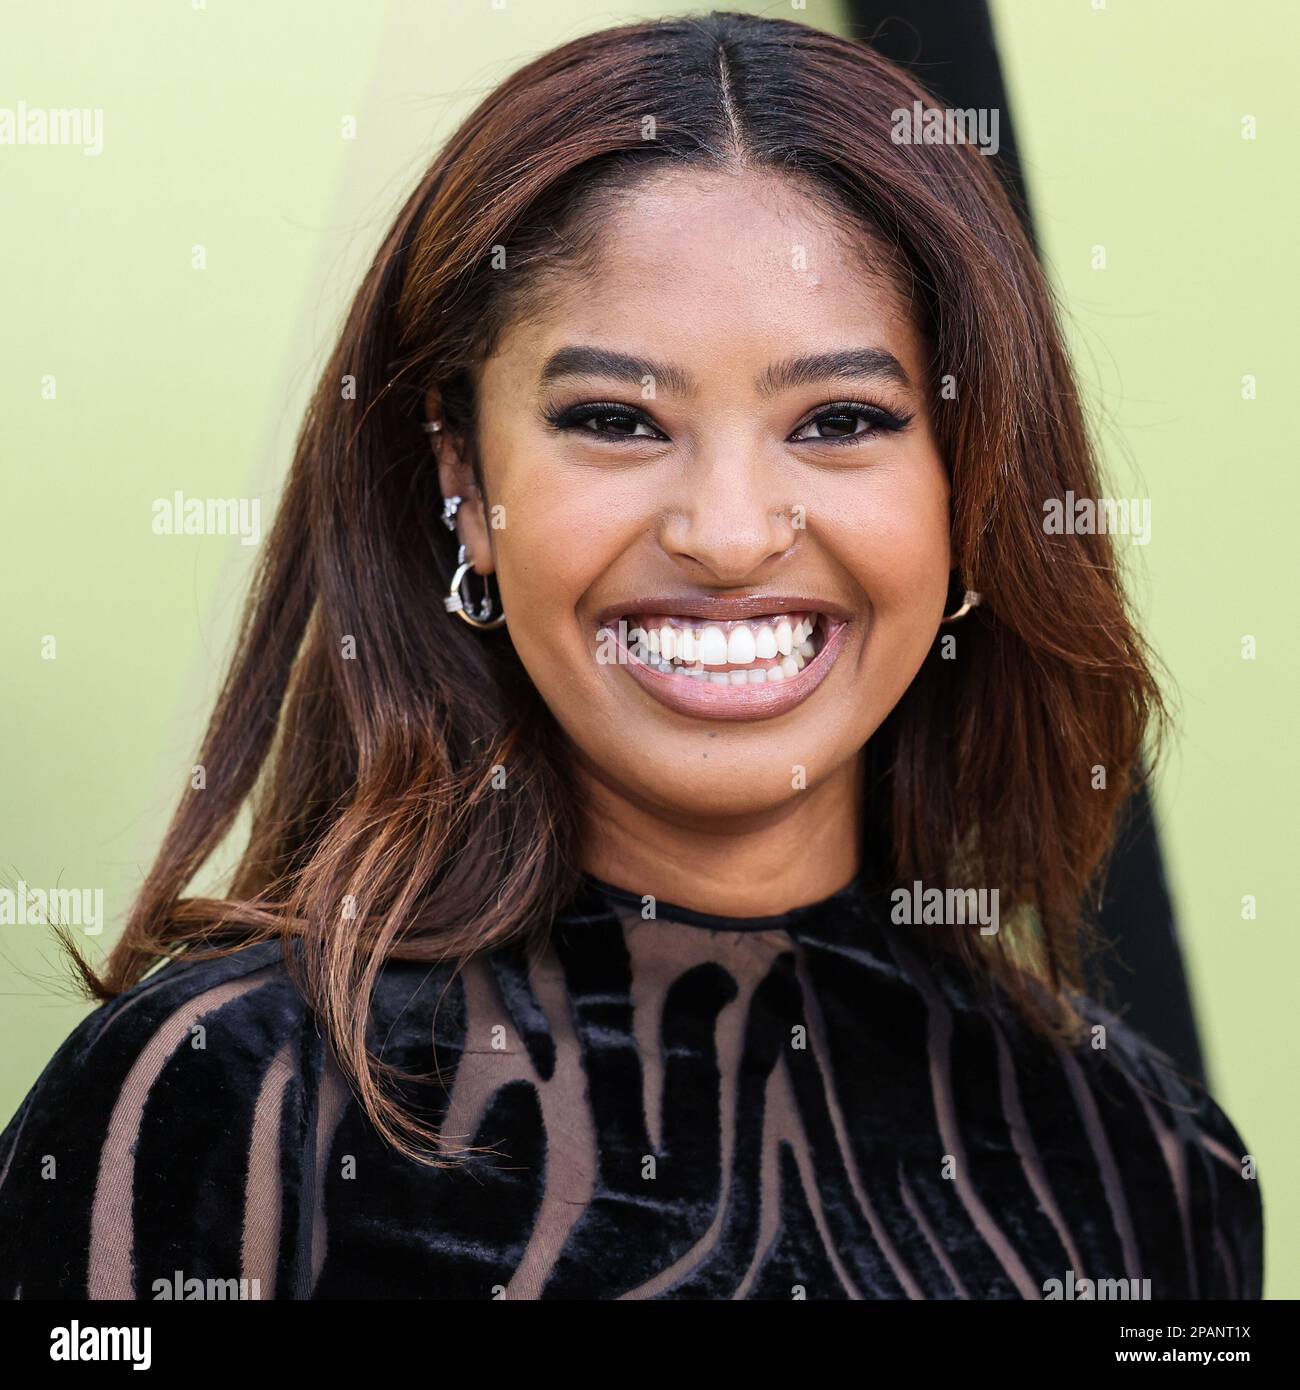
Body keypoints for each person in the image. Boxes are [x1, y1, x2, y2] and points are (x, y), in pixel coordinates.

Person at [0, 10, 1262, 1300]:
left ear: (975, 482)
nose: (726, 536)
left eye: (840, 420)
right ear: (465, 481)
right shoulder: (229, 1101)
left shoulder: (1148, 1166)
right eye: (615, 420)